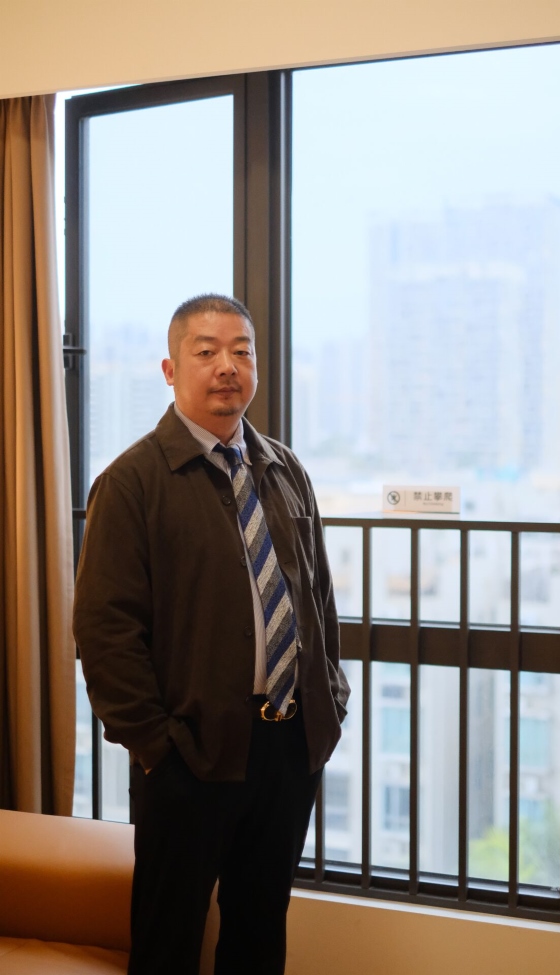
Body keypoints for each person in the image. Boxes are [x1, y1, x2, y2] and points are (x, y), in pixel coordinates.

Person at [73, 294, 349, 975]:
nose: (228, 366)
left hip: (287, 747)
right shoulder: (131, 482)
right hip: (188, 755)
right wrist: (158, 747)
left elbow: (318, 600)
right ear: (171, 370)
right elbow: (105, 633)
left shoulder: (284, 469)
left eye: (241, 351)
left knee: (258, 933)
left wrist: (329, 701)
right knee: (168, 940)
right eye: (206, 351)